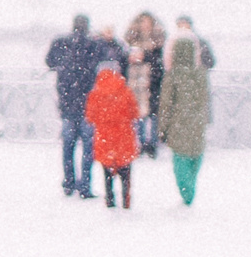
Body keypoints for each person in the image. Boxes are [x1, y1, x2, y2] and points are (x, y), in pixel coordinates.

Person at [46, 14, 112, 197]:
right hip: (88, 104)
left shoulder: (61, 43)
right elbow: (108, 57)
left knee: (68, 146)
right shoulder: (94, 44)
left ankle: (68, 183)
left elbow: (49, 62)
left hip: (67, 102)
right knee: (88, 148)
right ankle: (85, 186)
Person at [159, 30, 211, 204]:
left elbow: (166, 104)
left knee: (180, 159)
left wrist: (162, 128)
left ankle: (187, 192)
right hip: (197, 123)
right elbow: (206, 99)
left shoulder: (173, 75)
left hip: (178, 123)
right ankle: (191, 186)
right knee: (196, 155)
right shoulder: (202, 74)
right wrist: (206, 119)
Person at [85, 64, 139, 209]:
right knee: (125, 173)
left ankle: (110, 200)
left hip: (105, 139)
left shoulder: (95, 94)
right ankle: (126, 200)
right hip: (124, 139)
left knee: (107, 173)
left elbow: (90, 117)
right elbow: (135, 113)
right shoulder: (126, 91)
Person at [124, 12, 166, 157]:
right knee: (138, 115)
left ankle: (152, 144)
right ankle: (140, 143)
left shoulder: (158, 43)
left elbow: (159, 63)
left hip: (152, 82)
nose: (145, 25)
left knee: (153, 115)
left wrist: (145, 57)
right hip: (135, 83)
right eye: (142, 22)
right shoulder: (132, 42)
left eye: (147, 22)